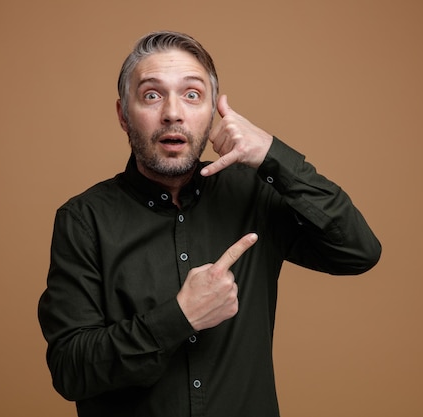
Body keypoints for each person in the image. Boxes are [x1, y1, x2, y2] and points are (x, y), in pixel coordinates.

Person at [38, 31, 381, 417]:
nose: (172, 112)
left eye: (192, 94)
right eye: (152, 95)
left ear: (213, 111)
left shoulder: (254, 196)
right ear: (122, 114)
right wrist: (178, 317)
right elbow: (70, 370)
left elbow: (358, 251)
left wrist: (272, 153)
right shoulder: (84, 220)